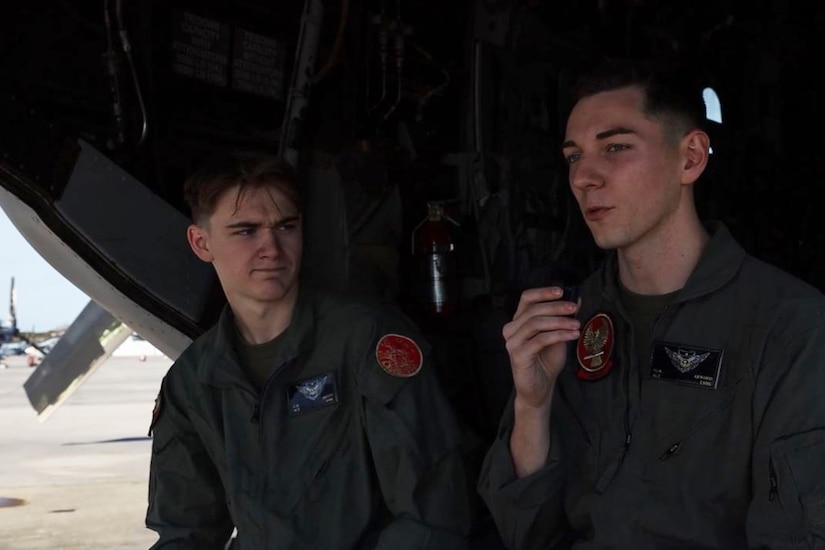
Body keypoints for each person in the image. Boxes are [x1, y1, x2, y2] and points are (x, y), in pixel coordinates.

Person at [477, 58, 825, 548]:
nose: (584, 178)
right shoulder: (569, 321)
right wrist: (532, 404)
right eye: (574, 156)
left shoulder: (788, 326)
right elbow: (525, 533)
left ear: (690, 158)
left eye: (616, 147)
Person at [145, 153, 472, 548]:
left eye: (286, 227)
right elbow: (184, 532)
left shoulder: (367, 342)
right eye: (246, 231)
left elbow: (432, 517)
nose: (272, 248)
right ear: (201, 242)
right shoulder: (192, 381)